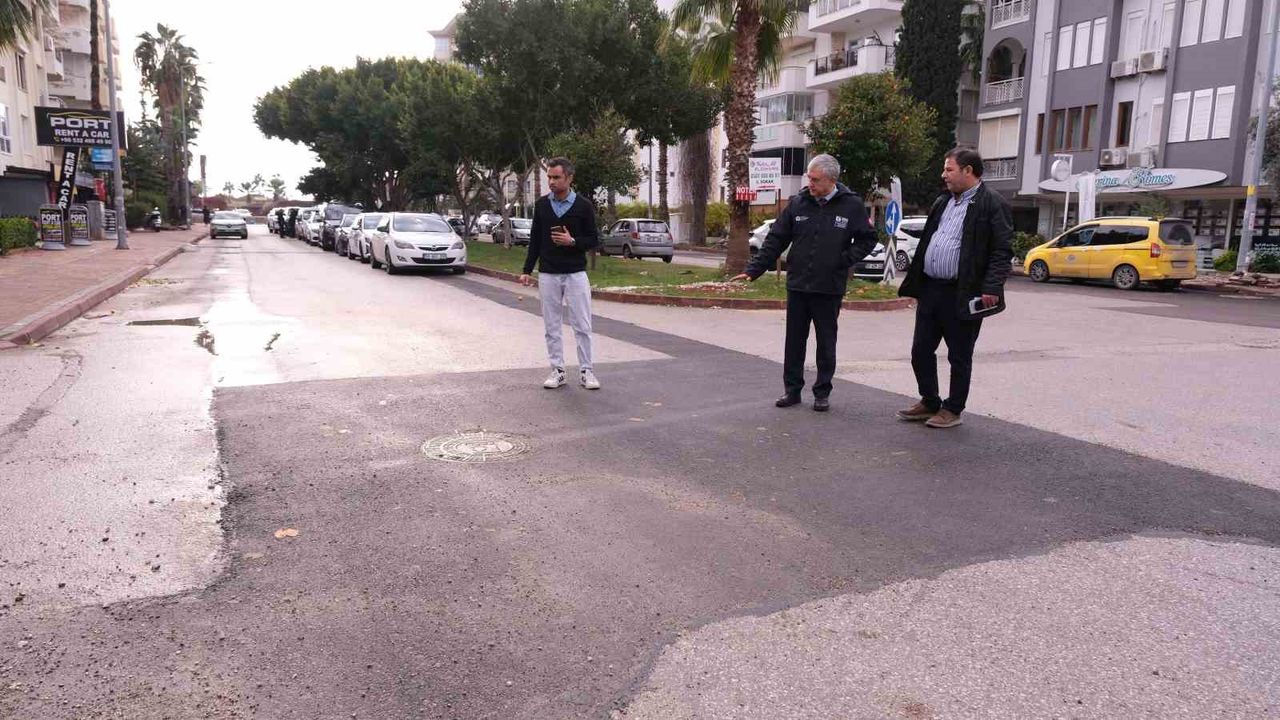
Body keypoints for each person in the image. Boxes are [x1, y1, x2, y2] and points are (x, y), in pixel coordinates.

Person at [731, 154, 878, 412]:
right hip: (798, 285)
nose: (810, 183)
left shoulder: (851, 205)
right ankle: (792, 391)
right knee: (794, 342)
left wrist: (843, 260)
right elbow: (776, 239)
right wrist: (754, 270)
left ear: (831, 180)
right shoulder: (799, 203)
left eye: (815, 179)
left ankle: (822, 392)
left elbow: (868, 239)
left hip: (828, 288)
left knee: (826, 343)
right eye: (809, 178)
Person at [896, 147, 1012, 429]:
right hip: (931, 289)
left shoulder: (991, 203)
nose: (943, 175)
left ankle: (953, 409)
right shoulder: (943, 202)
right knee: (920, 350)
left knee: (959, 355)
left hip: (963, 292)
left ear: (968, 171)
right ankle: (930, 401)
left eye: (949, 169)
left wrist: (992, 286)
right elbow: (929, 241)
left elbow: (1001, 249)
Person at [519, 157, 602, 390]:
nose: (551, 182)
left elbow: (594, 239)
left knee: (582, 324)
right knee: (551, 326)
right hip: (548, 274)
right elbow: (535, 240)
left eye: (556, 177)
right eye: (549, 177)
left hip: (575, 273)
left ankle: (586, 371)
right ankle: (558, 370)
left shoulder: (583, 206)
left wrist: (572, 241)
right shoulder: (542, 205)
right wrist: (527, 270)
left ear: (569, 178)